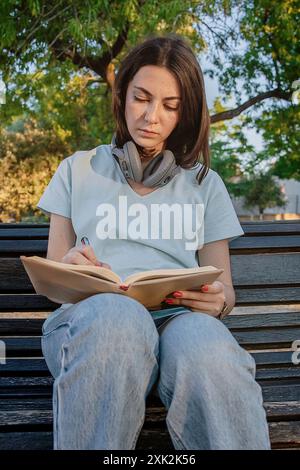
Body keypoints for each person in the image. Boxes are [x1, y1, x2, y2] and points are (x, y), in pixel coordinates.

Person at [37, 34, 271, 450]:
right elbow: (55, 278)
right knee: (117, 319)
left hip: (178, 325)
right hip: (94, 328)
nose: (151, 116)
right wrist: (71, 265)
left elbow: (226, 291)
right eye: (141, 98)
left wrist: (216, 301)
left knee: (206, 345)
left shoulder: (205, 184)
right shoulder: (77, 170)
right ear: (122, 95)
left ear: (186, 112)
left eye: (170, 105)